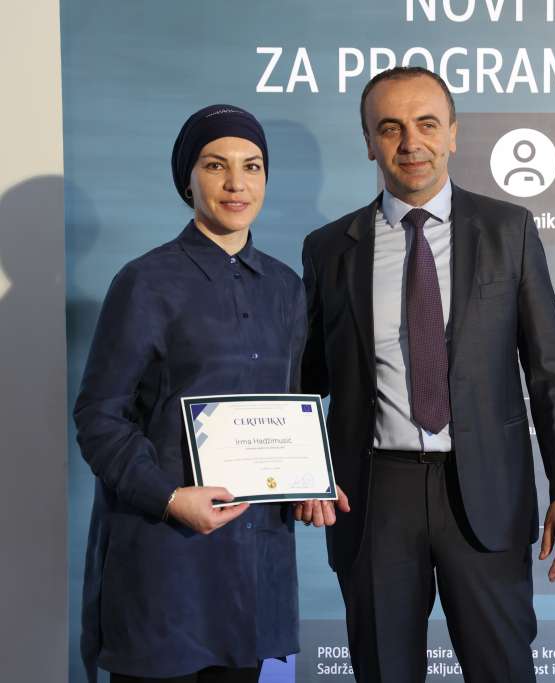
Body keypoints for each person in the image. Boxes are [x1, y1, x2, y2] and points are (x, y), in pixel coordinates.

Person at [298, 66, 555, 681]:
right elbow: (307, 380)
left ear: (453, 134)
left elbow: (550, 370)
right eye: (390, 128)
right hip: (373, 497)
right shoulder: (329, 248)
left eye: (427, 124)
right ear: (368, 142)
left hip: (485, 492)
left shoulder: (508, 231)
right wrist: (296, 471)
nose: (412, 143)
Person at [75, 104, 334, 683]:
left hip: (255, 566)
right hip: (166, 559)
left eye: (252, 166)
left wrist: (310, 480)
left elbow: (291, 407)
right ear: (187, 180)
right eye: (216, 165)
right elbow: (99, 417)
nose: (236, 183)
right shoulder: (145, 282)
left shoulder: (286, 289)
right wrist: (169, 496)